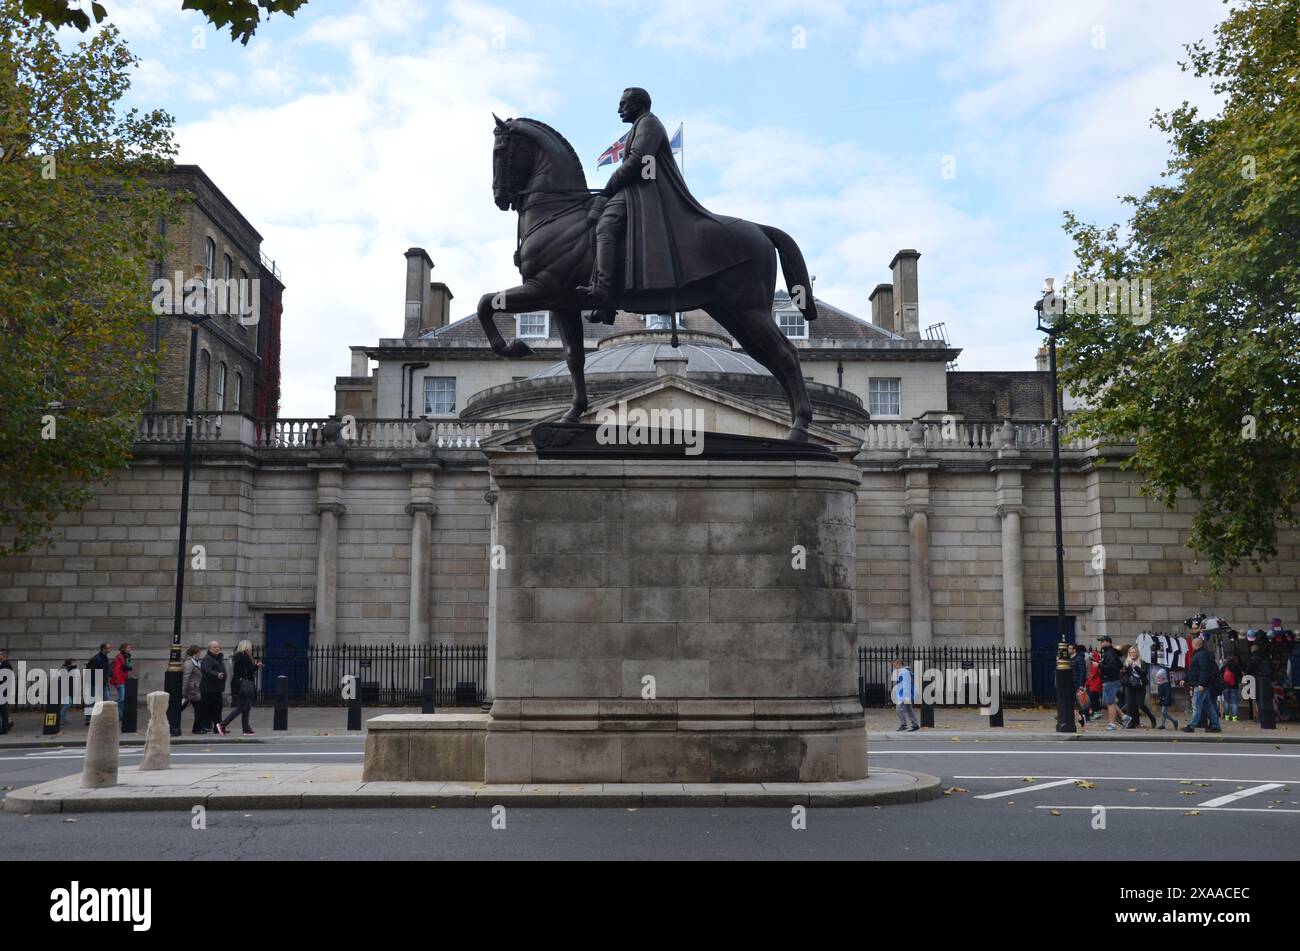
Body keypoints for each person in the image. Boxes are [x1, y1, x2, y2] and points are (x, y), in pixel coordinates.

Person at [575, 87, 749, 324]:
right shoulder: (640, 126)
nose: (619, 110)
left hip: (646, 194)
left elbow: (637, 161)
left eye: (623, 104)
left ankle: (603, 291)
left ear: (638, 105)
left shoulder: (649, 124)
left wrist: (608, 189)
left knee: (605, 226)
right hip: (635, 191)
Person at [220, 641, 263, 736]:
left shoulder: (239, 656)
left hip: (239, 684)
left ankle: (246, 729)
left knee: (247, 707)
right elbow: (245, 671)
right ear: (246, 647)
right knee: (242, 707)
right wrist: (256, 666)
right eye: (250, 646)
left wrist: (254, 667)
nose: (251, 648)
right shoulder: (243, 657)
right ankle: (223, 724)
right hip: (243, 685)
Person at [1183, 636, 1222, 733]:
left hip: (1200, 685)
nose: (1191, 646)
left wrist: (1202, 684)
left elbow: (1204, 670)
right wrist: (1185, 679)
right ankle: (1215, 725)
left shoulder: (1201, 655)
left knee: (1196, 705)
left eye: (1192, 644)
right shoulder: (1200, 654)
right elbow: (1194, 670)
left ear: (1195, 645)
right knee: (1208, 706)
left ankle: (1191, 726)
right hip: (1201, 684)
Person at [1097, 636, 1131, 731]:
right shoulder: (1111, 653)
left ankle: (1112, 724)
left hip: (1110, 681)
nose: (1101, 643)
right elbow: (1119, 666)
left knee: (1110, 703)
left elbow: (1112, 668)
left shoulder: (1110, 653)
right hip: (1110, 680)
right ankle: (1124, 717)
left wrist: (1099, 665)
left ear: (1108, 642)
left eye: (1102, 641)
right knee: (1110, 702)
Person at [1122, 647, 1157, 728]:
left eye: (1134, 652)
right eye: (1131, 652)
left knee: (1141, 704)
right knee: (1131, 705)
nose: (1132, 654)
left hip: (1140, 685)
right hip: (1130, 686)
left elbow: (1144, 674)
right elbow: (1124, 674)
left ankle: (1152, 717)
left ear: (1137, 653)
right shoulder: (1126, 662)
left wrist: (1136, 667)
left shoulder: (1142, 662)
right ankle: (1132, 723)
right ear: (1129, 653)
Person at [200, 641, 227, 736]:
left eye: (218, 647)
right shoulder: (207, 659)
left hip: (216, 689)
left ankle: (218, 727)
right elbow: (206, 670)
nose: (217, 649)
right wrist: (217, 674)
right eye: (215, 647)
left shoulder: (218, 658)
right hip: (208, 689)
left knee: (218, 709)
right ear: (210, 649)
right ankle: (203, 726)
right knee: (207, 709)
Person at [181, 645, 206, 733]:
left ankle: (199, 727)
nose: (200, 653)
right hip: (192, 690)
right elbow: (186, 678)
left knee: (200, 709)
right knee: (199, 709)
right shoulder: (189, 663)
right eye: (199, 651)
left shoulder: (196, 661)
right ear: (195, 652)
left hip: (196, 689)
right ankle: (197, 729)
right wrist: (183, 692)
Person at [890, 658, 920, 732]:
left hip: (905, 694)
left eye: (895, 665)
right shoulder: (906, 671)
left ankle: (904, 724)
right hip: (907, 694)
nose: (894, 668)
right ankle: (915, 724)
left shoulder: (903, 672)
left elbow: (906, 685)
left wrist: (904, 696)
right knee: (908, 709)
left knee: (898, 709)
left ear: (899, 664)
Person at [84, 642, 111, 725]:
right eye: (108, 648)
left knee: (106, 700)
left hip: (102, 683)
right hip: (95, 683)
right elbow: (90, 671)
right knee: (91, 701)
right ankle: (88, 719)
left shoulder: (105, 658)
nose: (110, 649)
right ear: (103, 649)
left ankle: (104, 717)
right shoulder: (97, 658)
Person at [109, 643, 132, 721]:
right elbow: (116, 670)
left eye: (130, 648)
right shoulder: (119, 657)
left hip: (124, 679)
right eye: (128, 648)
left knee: (123, 698)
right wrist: (118, 681)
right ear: (123, 648)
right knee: (122, 699)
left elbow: (127, 668)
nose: (130, 649)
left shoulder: (127, 657)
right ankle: (118, 713)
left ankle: (121, 715)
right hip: (119, 680)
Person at [1152, 664, 1179, 730]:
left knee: (1163, 712)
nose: (1158, 679)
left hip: (1165, 700)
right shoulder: (1160, 684)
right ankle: (1163, 724)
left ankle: (1174, 721)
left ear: (1163, 677)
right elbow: (1159, 693)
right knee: (1163, 712)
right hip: (1162, 700)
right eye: (1158, 678)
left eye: (1159, 677)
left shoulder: (1166, 684)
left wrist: (1166, 700)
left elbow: (1167, 693)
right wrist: (1158, 699)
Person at [1069, 643, 1090, 728]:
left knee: (1080, 702)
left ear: (1074, 649)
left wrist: (1081, 685)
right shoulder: (1070, 658)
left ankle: (1083, 717)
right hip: (1070, 683)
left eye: (1070, 648)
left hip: (1077, 683)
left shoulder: (1079, 658)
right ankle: (1080, 717)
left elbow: (1082, 672)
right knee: (1071, 702)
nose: (1068, 649)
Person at [1221, 654, 1244, 722]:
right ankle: (1234, 718)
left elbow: (1220, 674)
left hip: (1225, 686)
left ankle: (1227, 717)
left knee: (1226, 702)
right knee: (1234, 702)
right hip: (1234, 687)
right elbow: (1240, 676)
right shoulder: (1237, 667)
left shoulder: (1224, 667)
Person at [56, 658, 77, 725]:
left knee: (67, 703)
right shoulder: (64, 669)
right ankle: (60, 718)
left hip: (68, 688)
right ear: (69, 663)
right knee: (68, 703)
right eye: (74, 662)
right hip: (64, 689)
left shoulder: (69, 668)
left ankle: (63, 719)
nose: (75, 663)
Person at [1085, 648, 1103, 720]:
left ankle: (1096, 712)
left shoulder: (1096, 664)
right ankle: (1096, 712)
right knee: (1094, 699)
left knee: (1093, 699)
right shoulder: (1092, 664)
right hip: (1093, 684)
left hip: (1096, 684)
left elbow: (1098, 673)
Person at [0, 649, 13, 734]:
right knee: (3, 709)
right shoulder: (5, 665)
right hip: (4, 690)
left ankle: (5, 728)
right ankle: (7, 724)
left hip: (2, 690)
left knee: (3, 710)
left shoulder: (5, 665)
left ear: (3, 656)